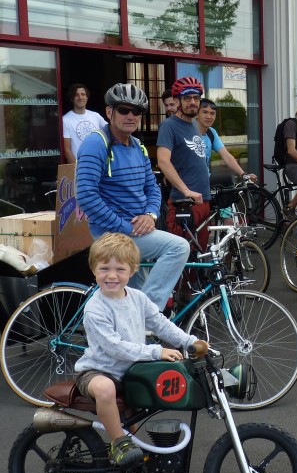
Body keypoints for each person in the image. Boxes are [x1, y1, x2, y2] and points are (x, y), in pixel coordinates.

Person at [75, 232, 200, 473]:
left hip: (129, 372)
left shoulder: (137, 298)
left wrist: (190, 342)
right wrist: (156, 351)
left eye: (120, 269)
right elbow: (115, 347)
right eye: (104, 268)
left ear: (132, 270)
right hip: (97, 370)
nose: (112, 275)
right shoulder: (95, 308)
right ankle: (118, 444)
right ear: (93, 270)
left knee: (135, 428)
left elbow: (160, 324)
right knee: (106, 390)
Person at [75, 83, 189, 311]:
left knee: (134, 293)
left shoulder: (138, 145)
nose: (131, 116)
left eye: (136, 111)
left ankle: (134, 330)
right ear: (109, 112)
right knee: (179, 247)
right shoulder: (96, 143)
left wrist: (150, 214)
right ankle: (147, 316)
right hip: (112, 234)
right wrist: (125, 227)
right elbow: (86, 196)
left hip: (138, 230)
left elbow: (152, 187)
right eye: (124, 110)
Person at [157, 77, 214, 250]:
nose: (192, 102)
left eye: (196, 98)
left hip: (203, 200)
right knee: (182, 260)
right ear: (178, 101)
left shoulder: (195, 125)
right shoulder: (169, 126)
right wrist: (186, 190)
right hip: (184, 203)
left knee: (201, 256)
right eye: (187, 98)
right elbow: (163, 161)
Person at [195, 98, 256, 182]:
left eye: (212, 113)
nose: (209, 117)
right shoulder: (188, 132)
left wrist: (243, 174)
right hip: (189, 183)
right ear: (197, 114)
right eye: (205, 112)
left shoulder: (211, 133)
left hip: (205, 181)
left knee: (229, 181)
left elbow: (226, 156)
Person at [61, 83, 107, 163]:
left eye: (83, 94)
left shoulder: (96, 116)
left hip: (98, 164)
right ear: (72, 99)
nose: (80, 97)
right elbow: (67, 150)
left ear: (87, 97)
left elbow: (110, 131)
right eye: (76, 95)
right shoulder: (65, 120)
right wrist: (78, 169)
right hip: (79, 167)